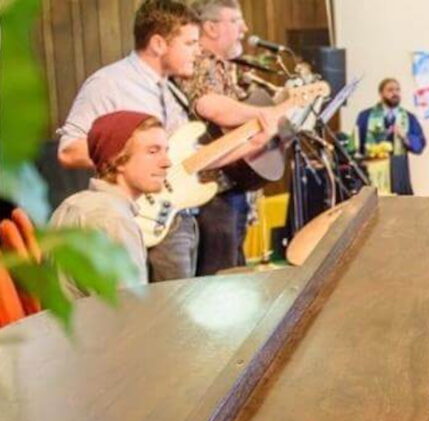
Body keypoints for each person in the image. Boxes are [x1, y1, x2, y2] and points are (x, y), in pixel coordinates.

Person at [56, 0, 202, 282]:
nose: (198, 51)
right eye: (189, 43)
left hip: (175, 216)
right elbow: (69, 150)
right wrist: (130, 159)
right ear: (159, 43)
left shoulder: (172, 90)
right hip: (133, 218)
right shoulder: (109, 82)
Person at [179, 0, 289, 275]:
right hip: (214, 188)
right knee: (220, 280)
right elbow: (209, 105)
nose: (245, 28)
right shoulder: (202, 61)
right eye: (237, 21)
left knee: (233, 275)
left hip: (230, 183)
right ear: (212, 27)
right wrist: (264, 114)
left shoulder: (226, 66)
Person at [50, 112, 171, 298]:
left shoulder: (71, 203)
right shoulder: (113, 219)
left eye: (166, 151)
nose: (167, 162)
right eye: (153, 152)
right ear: (118, 159)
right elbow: (129, 311)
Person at [355, 78, 427, 195]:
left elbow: (419, 145)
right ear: (381, 93)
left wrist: (405, 136)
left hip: (398, 171)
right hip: (373, 171)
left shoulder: (408, 117)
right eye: (390, 90)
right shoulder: (365, 116)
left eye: (398, 90)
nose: (395, 93)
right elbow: (357, 146)